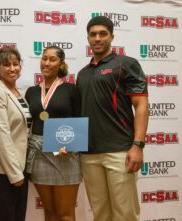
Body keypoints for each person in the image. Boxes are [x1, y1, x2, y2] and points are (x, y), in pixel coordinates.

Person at [76, 16, 149, 221]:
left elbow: (141, 105)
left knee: (125, 215)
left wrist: (138, 145)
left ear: (112, 37)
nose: (97, 38)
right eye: (93, 34)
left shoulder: (126, 64)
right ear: (88, 38)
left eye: (103, 34)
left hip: (120, 152)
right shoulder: (82, 74)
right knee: (101, 215)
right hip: (89, 155)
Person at [25, 46, 82, 221]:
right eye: (44, 58)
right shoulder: (32, 92)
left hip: (65, 154)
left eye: (52, 59)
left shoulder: (72, 89)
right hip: (39, 155)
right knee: (49, 213)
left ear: (61, 64)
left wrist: (70, 147)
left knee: (65, 214)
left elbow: (79, 119)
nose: (47, 63)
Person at [0, 46, 32, 221]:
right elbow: (0, 135)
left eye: (16, 64)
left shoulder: (19, 94)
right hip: (1, 169)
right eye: (6, 65)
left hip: (19, 165)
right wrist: (15, 173)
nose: (12, 69)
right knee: (6, 216)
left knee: (18, 216)